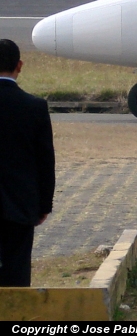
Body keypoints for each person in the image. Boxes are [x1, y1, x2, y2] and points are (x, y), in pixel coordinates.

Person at [0, 39, 54, 287]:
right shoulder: (34, 107)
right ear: (19, 65)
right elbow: (45, 161)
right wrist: (43, 205)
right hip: (20, 204)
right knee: (16, 268)